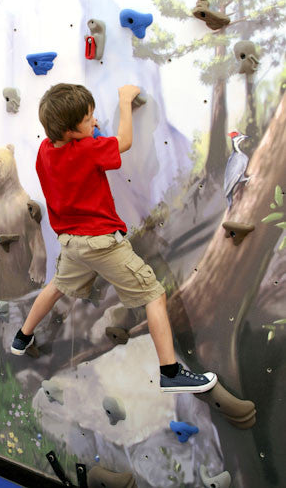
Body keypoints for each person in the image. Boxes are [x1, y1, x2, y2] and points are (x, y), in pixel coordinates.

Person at [11, 83, 217, 393]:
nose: (94, 122)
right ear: (69, 131)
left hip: (71, 242)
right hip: (100, 242)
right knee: (153, 294)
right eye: (88, 119)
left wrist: (87, 130)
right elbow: (123, 141)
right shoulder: (89, 149)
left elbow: (75, 153)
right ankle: (170, 372)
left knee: (58, 286)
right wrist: (124, 101)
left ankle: (22, 336)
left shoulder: (45, 151)